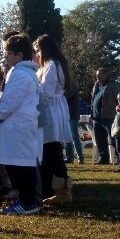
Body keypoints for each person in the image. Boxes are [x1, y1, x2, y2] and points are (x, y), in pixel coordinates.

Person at [0, 35, 42, 215]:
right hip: (20, 124)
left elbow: (11, 101)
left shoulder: (20, 73)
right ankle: (26, 200)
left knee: (21, 165)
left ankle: (28, 202)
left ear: (19, 55)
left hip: (19, 125)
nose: (5, 57)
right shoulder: (26, 72)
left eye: (8, 54)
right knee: (19, 164)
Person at [34, 35, 73, 205]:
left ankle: (62, 191)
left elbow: (46, 92)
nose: (36, 54)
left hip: (50, 110)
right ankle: (50, 189)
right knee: (49, 151)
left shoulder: (51, 65)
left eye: (38, 50)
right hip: (52, 108)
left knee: (52, 150)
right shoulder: (53, 64)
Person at [91, 67, 120, 165]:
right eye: (97, 75)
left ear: (106, 74)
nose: (97, 76)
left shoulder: (113, 85)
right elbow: (93, 100)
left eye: (99, 74)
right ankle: (103, 158)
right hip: (97, 117)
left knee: (113, 139)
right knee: (100, 140)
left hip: (109, 116)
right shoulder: (97, 85)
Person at [65, 82, 84, 164]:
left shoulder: (72, 87)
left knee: (74, 136)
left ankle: (80, 158)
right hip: (67, 115)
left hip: (72, 115)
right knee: (68, 137)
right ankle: (69, 157)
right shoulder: (69, 87)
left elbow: (65, 96)